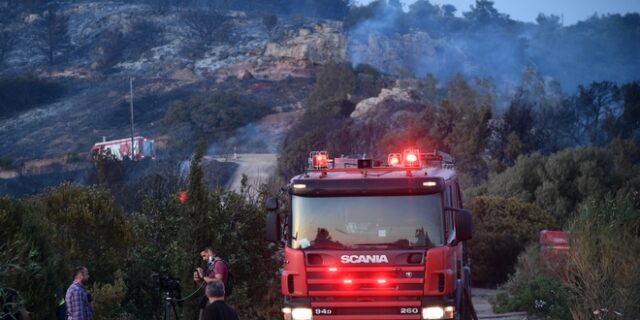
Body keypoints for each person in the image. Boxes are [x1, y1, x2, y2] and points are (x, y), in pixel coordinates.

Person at [195, 246, 229, 319]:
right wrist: (199, 281)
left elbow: (218, 282)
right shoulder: (212, 266)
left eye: (204, 255)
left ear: (209, 252)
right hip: (210, 299)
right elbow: (210, 286)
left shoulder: (218, 264)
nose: (203, 259)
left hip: (216, 300)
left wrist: (203, 276)